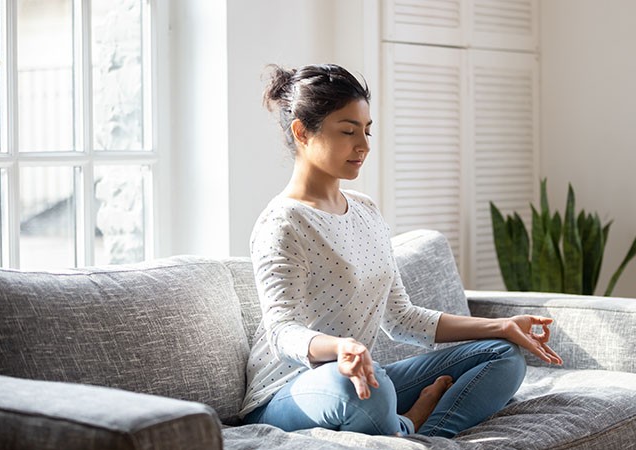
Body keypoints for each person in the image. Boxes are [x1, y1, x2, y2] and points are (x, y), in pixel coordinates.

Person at [240, 63, 563, 438]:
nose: (364, 145)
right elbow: (282, 332)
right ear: (302, 132)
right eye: (348, 131)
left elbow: (401, 318)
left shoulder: (365, 210)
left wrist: (502, 326)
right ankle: (408, 424)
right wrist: (340, 347)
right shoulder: (283, 223)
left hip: (365, 377)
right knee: (362, 389)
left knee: (502, 355)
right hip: (288, 393)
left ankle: (425, 438)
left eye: (366, 130)